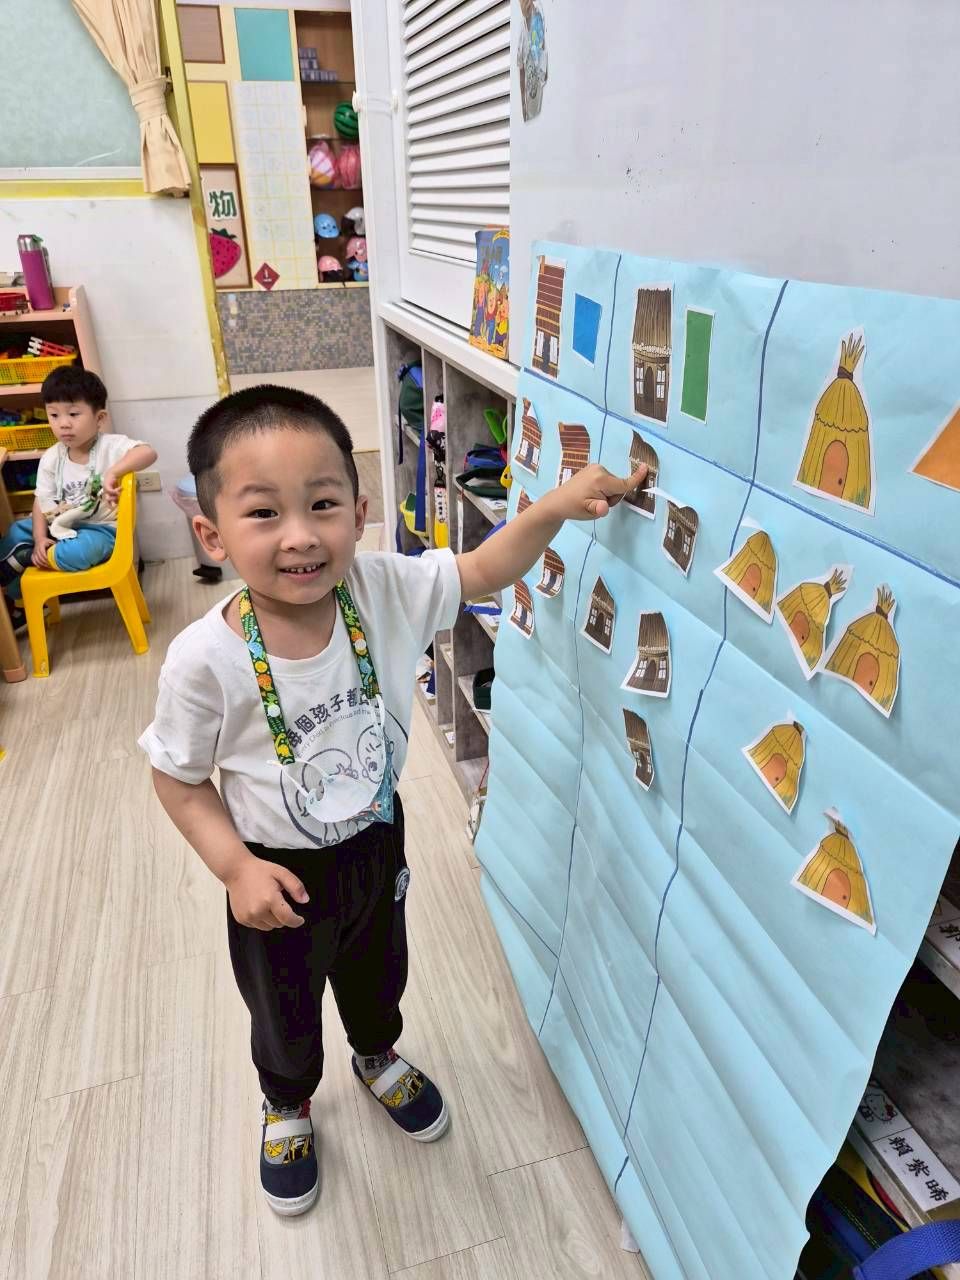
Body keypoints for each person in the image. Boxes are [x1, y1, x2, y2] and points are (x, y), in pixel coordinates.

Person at [138, 384, 645, 1217]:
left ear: (360, 511)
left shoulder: (380, 588)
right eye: (263, 513)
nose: (301, 535)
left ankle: (376, 1055)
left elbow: (484, 569)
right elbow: (176, 777)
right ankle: (287, 1101)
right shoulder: (203, 662)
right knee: (284, 1008)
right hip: (275, 876)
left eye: (323, 504)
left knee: (380, 971)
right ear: (212, 534)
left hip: (376, 839)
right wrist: (234, 870)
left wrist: (554, 505)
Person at [0, 366, 157, 632]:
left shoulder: (111, 446)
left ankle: (25, 559)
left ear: (99, 418)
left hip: (101, 531)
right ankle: (19, 599)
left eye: (73, 414)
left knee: (80, 552)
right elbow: (41, 502)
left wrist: (113, 471)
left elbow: (148, 453)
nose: (63, 423)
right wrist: (39, 537)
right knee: (16, 532)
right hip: (58, 525)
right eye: (54, 415)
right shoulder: (52, 457)